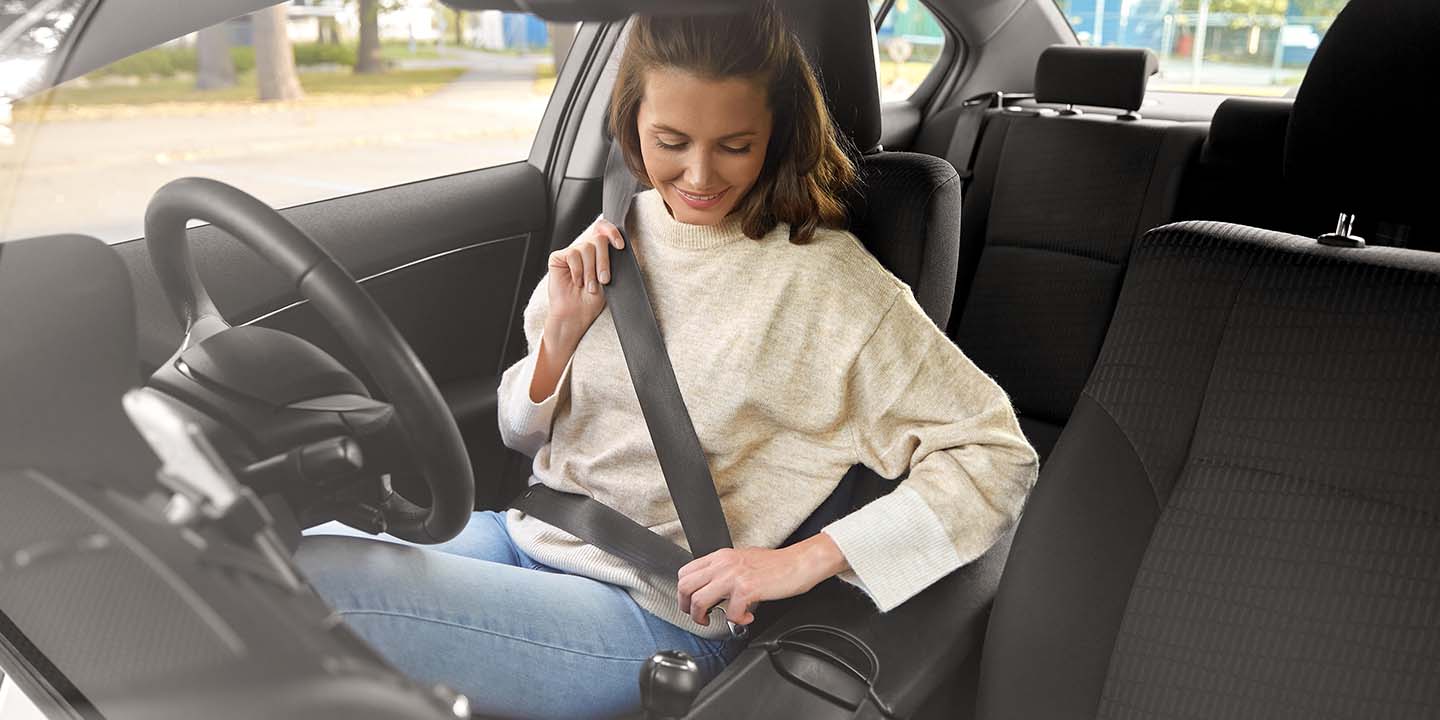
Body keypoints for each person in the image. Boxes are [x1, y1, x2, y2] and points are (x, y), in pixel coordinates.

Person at [295, 5, 1038, 718]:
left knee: (312, 593)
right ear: (632, 122)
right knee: (276, 559)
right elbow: (522, 435)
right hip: (525, 536)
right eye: (671, 141)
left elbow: (998, 457)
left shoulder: (831, 289)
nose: (698, 176)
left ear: (777, 132)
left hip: (652, 615)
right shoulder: (615, 235)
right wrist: (559, 337)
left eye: (735, 145)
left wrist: (804, 560)